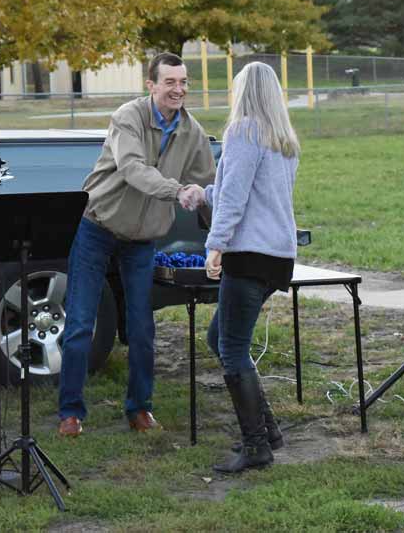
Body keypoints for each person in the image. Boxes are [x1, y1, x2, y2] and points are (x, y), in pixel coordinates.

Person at [58, 52, 216, 437]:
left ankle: (140, 409)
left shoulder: (192, 132)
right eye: (170, 82)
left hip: (143, 240)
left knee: (143, 328)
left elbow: (211, 184)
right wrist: (177, 191)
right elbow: (131, 169)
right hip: (97, 227)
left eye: (183, 82)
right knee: (80, 323)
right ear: (151, 85)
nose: (178, 90)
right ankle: (71, 413)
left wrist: (220, 236)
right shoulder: (127, 117)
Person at [202, 61, 300, 473]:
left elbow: (237, 199)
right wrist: (203, 193)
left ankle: (256, 445)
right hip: (279, 256)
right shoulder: (284, 139)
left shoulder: (243, 130)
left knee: (231, 348)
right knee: (219, 338)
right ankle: (269, 428)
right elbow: (247, 194)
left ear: (244, 92)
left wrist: (215, 246)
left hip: (249, 255)